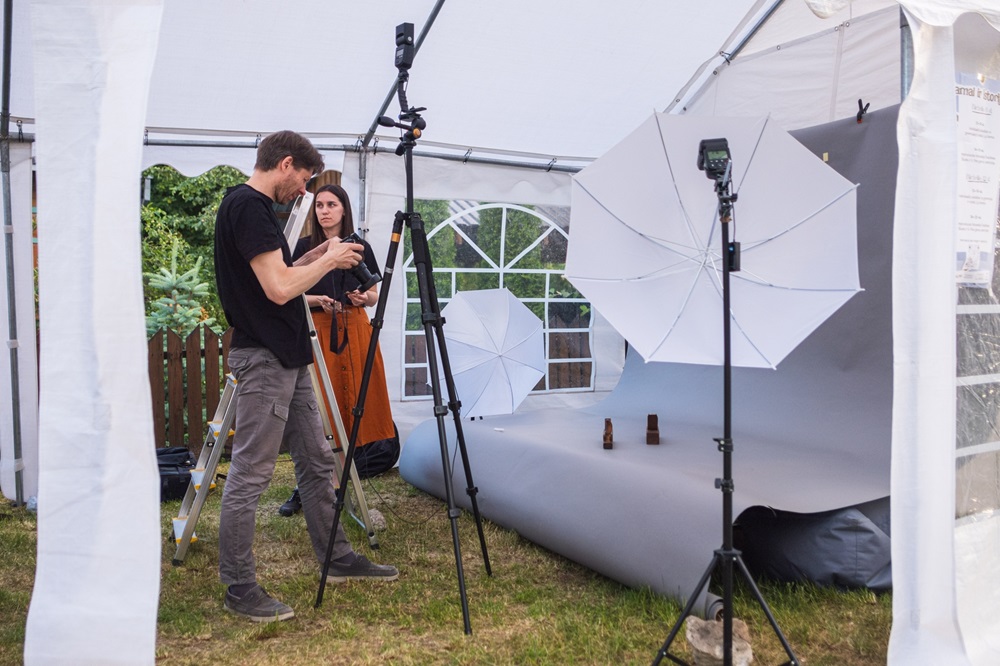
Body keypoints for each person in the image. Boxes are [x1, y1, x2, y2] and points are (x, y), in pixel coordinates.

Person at [213, 130, 398, 623]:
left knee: (317, 461)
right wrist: (334, 259)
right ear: (286, 163)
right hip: (265, 359)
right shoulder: (248, 206)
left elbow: (279, 271)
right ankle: (239, 585)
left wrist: (313, 259)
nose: (305, 193)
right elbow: (277, 289)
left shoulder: (254, 210)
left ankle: (337, 559)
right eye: (303, 180)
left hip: (289, 358)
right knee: (252, 473)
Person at [278, 184, 400, 517]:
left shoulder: (360, 246)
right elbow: (286, 292)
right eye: (319, 205)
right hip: (318, 331)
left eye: (332, 204)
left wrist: (365, 298)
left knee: (353, 405)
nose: (325, 210)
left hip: (356, 330)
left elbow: (373, 293)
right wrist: (318, 300)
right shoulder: (304, 248)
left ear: (343, 209)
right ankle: (307, 486)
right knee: (318, 411)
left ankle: (342, 482)